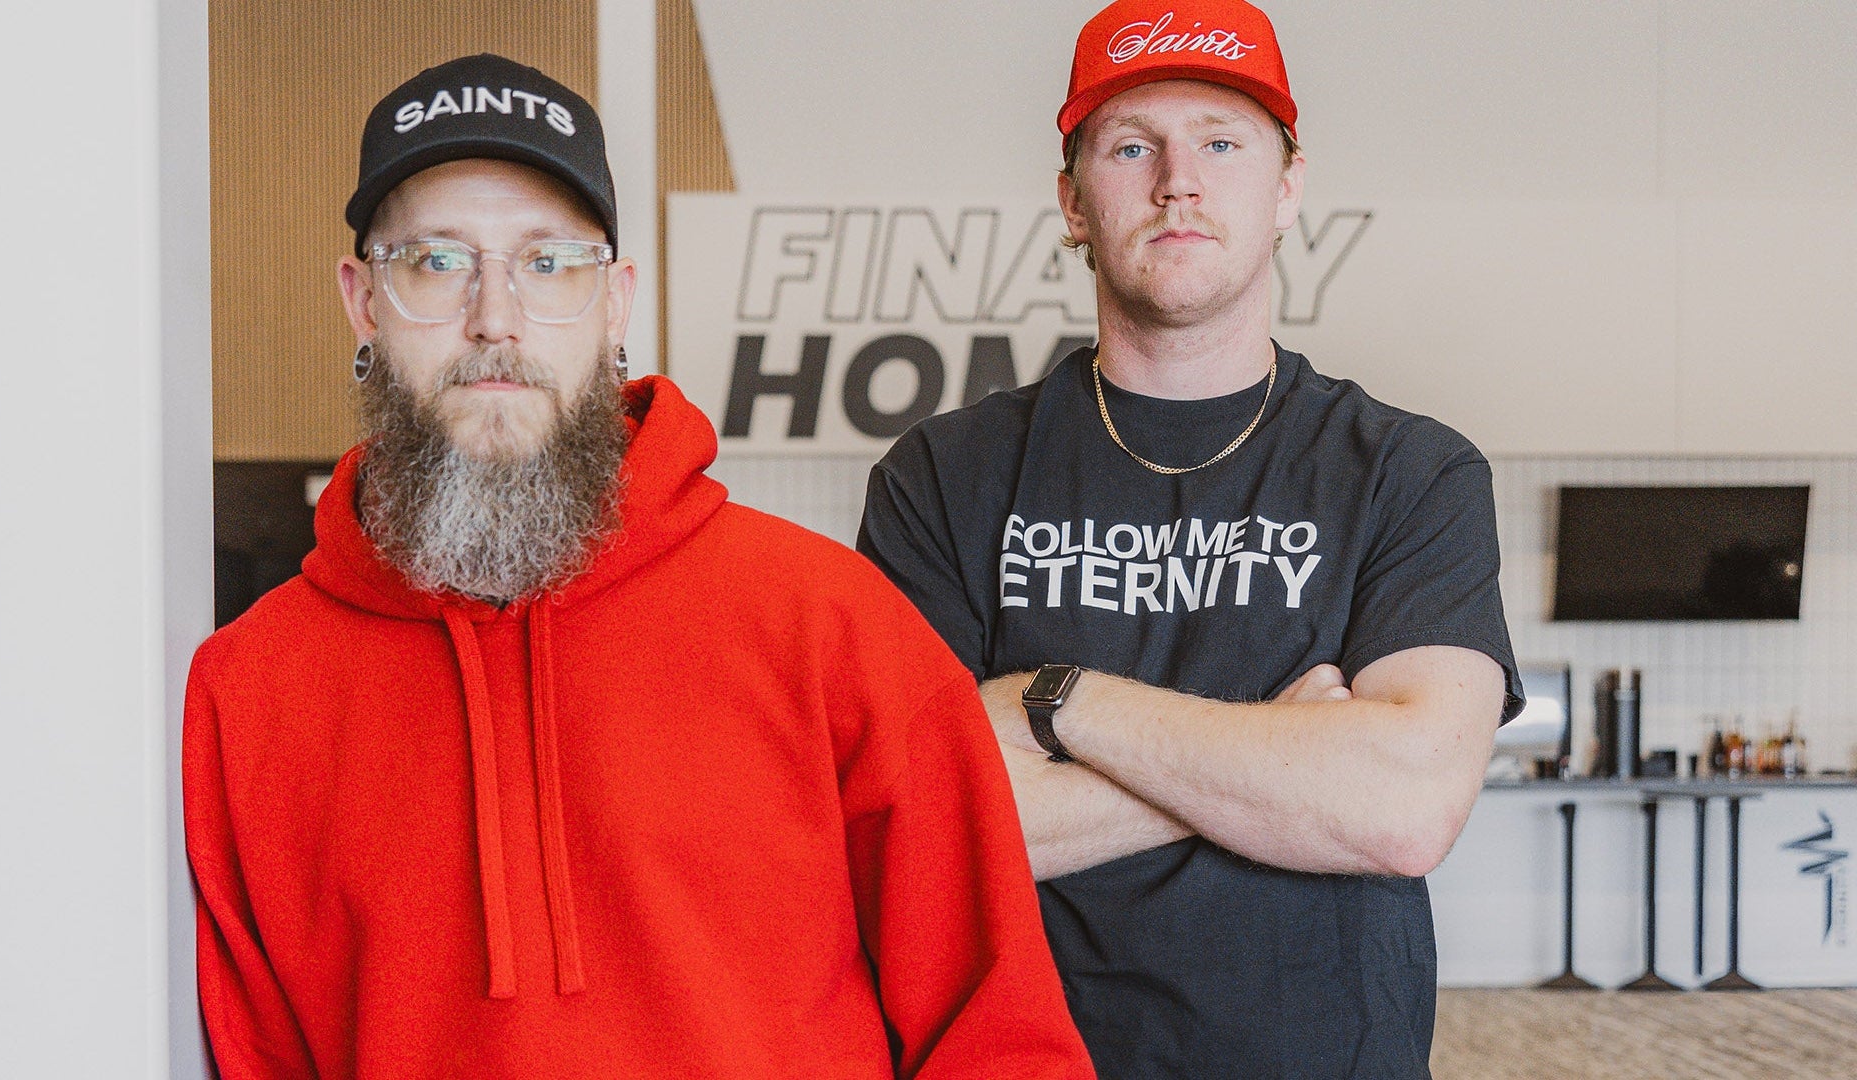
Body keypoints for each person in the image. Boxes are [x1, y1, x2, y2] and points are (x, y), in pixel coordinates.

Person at [184, 53, 1093, 1080]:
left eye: (547, 263)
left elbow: (1001, 1038)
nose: (496, 318)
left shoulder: (830, 625)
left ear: (614, 301)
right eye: (437, 262)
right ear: (362, 301)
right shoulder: (247, 694)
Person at [857, 3, 1525, 1077]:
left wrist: (1058, 700)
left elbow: (1401, 808)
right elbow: (917, 833)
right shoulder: (943, 478)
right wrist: (1284, 759)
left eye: (1221, 140)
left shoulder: (1411, 473)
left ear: (1286, 191)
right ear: (1074, 204)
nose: (1179, 179)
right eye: (1132, 146)